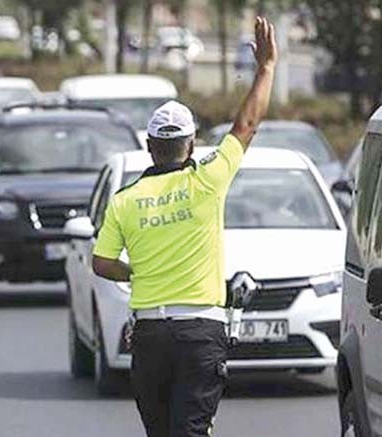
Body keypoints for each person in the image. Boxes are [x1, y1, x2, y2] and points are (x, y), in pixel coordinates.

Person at [91, 16, 277, 437]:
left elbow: (101, 263)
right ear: (191, 144)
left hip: (150, 336)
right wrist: (265, 69)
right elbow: (246, 125)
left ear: (149, 147)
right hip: (201, 333)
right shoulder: (208, 181)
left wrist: (136, 271)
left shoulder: (125, 201)